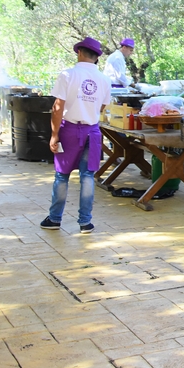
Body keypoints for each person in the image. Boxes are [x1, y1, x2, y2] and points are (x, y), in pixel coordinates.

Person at [40, 37, 112, 234]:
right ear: (97, 57)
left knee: (62, 175)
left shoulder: (67, 75)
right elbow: (102, 106)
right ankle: (85, 222)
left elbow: (57, 107)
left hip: (69, 130)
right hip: (92, 131)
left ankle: (55, 219)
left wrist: (54, 135)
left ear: (79, 52)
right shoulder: (105, 80)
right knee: (88, 175)